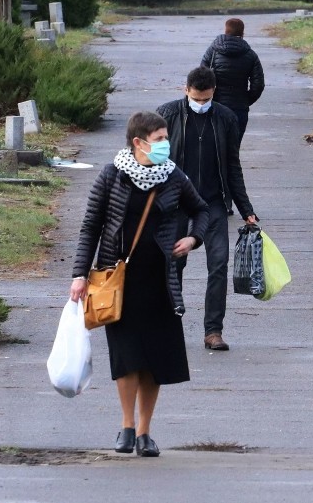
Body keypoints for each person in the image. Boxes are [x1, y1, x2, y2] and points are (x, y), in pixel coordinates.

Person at [70, 111, 209, 458]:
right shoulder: (112, 175)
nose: (166, 144)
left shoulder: (173, 175)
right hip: (118, 282)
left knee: (155, 360)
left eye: (166, 137)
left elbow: (202, 211)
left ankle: (146, 431)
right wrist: (78, 273)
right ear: (138, 142)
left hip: (161, 281)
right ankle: (127, 426)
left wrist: (193, 239)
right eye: (160, 138)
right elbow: (91, 226)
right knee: (128, 356)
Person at [157, 67, 258, 351]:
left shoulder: (226, 119)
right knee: (173, 265)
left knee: (218, 264)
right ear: (185, 90)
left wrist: (245, 207)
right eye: (196, 99)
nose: (200, 104)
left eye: (206, 99)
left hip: (213, 204)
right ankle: (169, 325)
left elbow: (233, 166)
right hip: (175, 204)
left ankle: (213, 331)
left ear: (214, 92)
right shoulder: (167, 115)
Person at [200, 18, 265, 144]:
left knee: (213, 145)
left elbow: (201, 77)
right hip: (239, 107)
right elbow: (258, 85)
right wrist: (246, 100)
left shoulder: (212, 51)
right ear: (242, 33)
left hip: (214, 105)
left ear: (226, 30)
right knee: (233, 147)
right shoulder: (250, 54)